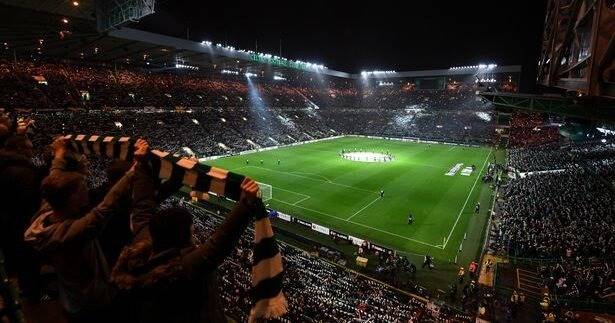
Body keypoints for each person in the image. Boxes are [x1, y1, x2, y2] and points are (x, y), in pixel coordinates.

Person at [24, 138, 150, 322]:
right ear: (73, 198)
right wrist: (135, 168)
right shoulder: (77, 232)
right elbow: (108, 204)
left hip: (70, 296)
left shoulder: (45, 213)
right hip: (91, 301)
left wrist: (59, 154)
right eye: (83, 188)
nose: (87, 190)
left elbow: (53, 177)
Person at [111, 177, 262, 323]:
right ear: (182, 235)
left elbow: (142, 209)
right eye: (191, 230)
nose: (194, 233)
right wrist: (247, 203)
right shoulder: (183, 268)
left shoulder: (142, 248)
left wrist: (142, 169)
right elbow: (220, 243)